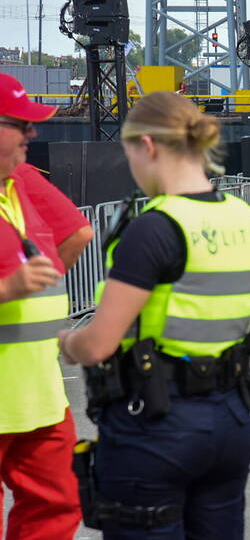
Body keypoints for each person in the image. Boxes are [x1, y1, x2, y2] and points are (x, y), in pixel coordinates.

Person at [58, 91, 250, 539]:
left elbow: (99, 344)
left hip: (156, 423)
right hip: (231, 417)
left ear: (148, 146)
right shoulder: (245, 217)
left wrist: (65, 341)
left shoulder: (154, 227)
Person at [0, 73, 93, 540]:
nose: (32, 134)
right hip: (26, 393)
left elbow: (79, 232)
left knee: (58, 505)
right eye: (20, 124)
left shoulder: (20, 182)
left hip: (37, 394)